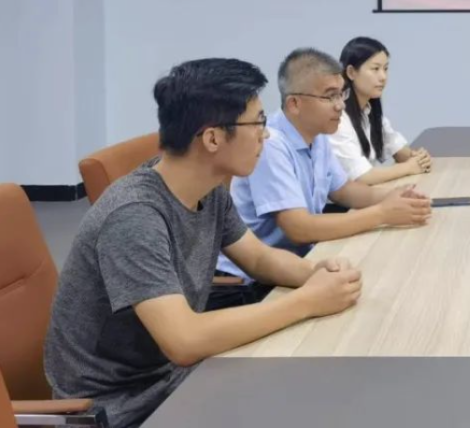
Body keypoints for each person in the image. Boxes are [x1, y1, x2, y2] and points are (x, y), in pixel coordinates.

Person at [45, 59, 364, 428]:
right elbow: (184, 341)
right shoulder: (134, 216)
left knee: (318, 391)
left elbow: (258, 259)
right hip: (123, 407)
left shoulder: (207, 190)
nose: (266, 135)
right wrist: (307, 301)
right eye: (257, 123)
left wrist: (316, 274)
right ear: (212, 138)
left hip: (174, 378)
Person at [213, 48, 431, 305]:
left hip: (294, 263)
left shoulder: (318, 135)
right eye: (330, 96)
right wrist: (382, 214)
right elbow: (299, 228)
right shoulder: (271, 144)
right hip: (250, 282)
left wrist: (394, 197)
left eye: (341, 94)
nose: (340, 105)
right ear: (294, 104)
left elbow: (344, 191)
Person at [329, 36, 432, 185]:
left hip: (366, 193)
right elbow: (362, 177)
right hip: (344, 199)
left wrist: (419, 158)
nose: (383, 77)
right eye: (375, 69)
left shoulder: (369, 110)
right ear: (351, 72)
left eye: (385, 69)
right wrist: (409, 167)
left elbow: (399, 151)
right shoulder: (337, 118)